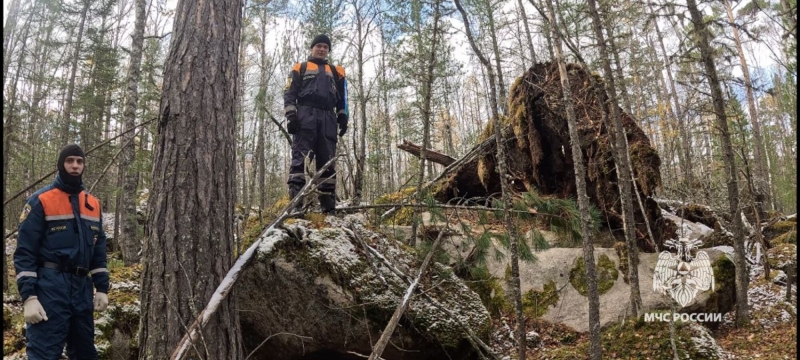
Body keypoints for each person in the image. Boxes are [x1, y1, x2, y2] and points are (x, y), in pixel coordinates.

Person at [14, 144, 109, 359]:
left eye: (79, 161)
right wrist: (29, 297)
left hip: (82, 289)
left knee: (85, 352)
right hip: (50, 288)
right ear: (61, 164)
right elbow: (24, 252)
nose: (75, 165)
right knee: (44, 353)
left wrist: (102, 287)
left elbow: (99, 250)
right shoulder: (41, 200)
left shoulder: (93, 204)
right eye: (70, 161)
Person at [283, 34, 348, 214]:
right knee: (299, 160)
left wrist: (343, 116)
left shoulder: (337, 71)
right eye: (318, 45)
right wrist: (291, 116)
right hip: (305, 116)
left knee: (327, 162)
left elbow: (343, 98)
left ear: (328, 50)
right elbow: (289, 93)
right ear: (312, 48)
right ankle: (296, 207)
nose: (321, 49)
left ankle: (328, 208)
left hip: (328, 118)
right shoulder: (299, 68)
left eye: (325, 47)